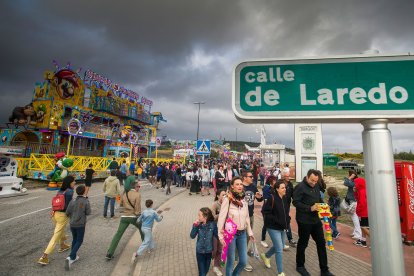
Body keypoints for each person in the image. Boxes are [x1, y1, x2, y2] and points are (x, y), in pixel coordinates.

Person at [293, 169, 334, 276]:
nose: (314, 183)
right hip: (304, 220)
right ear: (307, 177)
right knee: (303, 243)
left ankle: (324, 270)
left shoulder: (316, 186)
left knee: (321, 242)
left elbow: (319, 200)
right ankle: (300, 266)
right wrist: (309, 208)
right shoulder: (300, 187)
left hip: (315, 220)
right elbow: (295, 202)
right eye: (312, 180)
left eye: (316, 181)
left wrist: (324, 206)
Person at [217, 177, 254, 276]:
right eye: (237, 184)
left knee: (243, 261)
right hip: (231, 234)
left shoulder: (244, 199)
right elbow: (221, 218)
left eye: (241, 184)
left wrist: (250, 232)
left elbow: (247, 217)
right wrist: (220, 236)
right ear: (232, 186)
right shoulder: (227, 199)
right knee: (231, 260)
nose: (240, 186)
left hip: (242, 233)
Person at [38, 176, 75, 265]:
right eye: (74, 181)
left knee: (60, 230)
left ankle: (62, 245)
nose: (75, 183)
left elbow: (58, 202)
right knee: (56, 235)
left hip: (55, 214)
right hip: (62, 215)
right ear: (70, 182)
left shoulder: (60, 190)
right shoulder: (70, 191)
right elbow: (69, 206)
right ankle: (44, 256)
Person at [106, 182, 144, 259]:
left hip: (124, 217)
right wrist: (138, 216)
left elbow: (121, 206)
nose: (139, 188)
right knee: (142, 229)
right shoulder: (137, 195)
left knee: (118, 234)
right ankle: (145, 244)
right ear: (136, 187)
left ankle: (110, 253)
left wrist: (124, 212)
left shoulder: (125, 194)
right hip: (133, 216)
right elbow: (137, 208)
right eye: (139, 186)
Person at [260, 179, 290, 276]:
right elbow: (265, 212)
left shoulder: (285, 198)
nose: (284, 189)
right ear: (277, 189)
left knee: (279, 246)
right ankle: (280, 272)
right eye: (282, 188)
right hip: (273, 227)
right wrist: (277, 220)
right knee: (279, 249)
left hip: (283, 227)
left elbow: (286, 212)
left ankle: (266, 256)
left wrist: (287, 220)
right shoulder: (271, 198)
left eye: (285, 187)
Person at [65, 184, 91, 270]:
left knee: (75, 239)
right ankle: (70, 256)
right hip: (80, 224)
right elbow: (88, 212)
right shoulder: (85, 201)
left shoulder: (72, 201)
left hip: (72, 224)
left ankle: (73, 257)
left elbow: (67, 213)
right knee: (79, 240)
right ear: (84, 192)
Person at [241, 170, 263, 272]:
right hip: (241, 217)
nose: (252, 178)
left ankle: (241, 257)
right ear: (245, 177)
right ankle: (242, 260)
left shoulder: (253, 187)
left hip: (250, 216)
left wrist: (259, 197)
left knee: (248, 238)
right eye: (250, 176)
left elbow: (258, 199)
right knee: (242, 239)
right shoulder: (240, 186)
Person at [191, 207, 218, 276]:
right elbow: (192, 236)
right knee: (202, 273)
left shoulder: (213, 224)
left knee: (205, 271)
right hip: (200, 252)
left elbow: (216, 235)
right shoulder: (198, 225)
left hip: (209, 252)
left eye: (199, 215)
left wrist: (222, 233)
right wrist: (194, 226)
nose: (198, 217)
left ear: (205, 217)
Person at [211, 189, 226, 276]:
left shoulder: (227, 204)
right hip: (215, 230)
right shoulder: (215, 205)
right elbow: (212, 217)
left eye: (225, 195)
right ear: (218, 196)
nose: (224, 196)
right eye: (223, 195)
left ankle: (216, 266)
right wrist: (221, 213)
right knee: (214, 250)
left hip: (224, 230)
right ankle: (208, 259)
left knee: (220, 250)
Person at [344, 170, 362, 240]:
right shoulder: (354, 181)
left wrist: (350, 177)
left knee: (355, 217)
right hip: (353, 201)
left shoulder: (354, 182)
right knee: (355, 217)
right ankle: (355, 232)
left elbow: (345, 183)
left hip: (353, 201)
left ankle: (358, 234)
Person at [260, 175, 277, 248]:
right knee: (266, 225)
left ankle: (276, 241)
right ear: (271, 181)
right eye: (275, 180)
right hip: (266, 210)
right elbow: (266, 200)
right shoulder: (267, 188)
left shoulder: (272, 188)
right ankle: (262, 240)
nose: (276, 182)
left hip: (273, 209)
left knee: (273, 224)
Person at [282, 172, 297, 248]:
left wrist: (296, 201)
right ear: (283, 177)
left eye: (289, 176)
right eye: (287, 176)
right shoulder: (280, 183)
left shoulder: (290, 184)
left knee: (286, 221)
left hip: (287, 205)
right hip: (280, 205)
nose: (288, 178)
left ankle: (290, 239)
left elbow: (293, 194)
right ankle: (284, 240)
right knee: (283, 221)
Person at [354, 177, 370, 247]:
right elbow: (358, 198)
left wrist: (357, 210)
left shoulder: (362, 191)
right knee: (364, 226)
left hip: (364, 212)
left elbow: (362, 203)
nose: (355, 184)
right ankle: (363, 241)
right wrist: (355, 192)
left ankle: (375, 241)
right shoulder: (361, 190)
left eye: (356, 183)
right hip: (365, 211)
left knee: (364, 227)